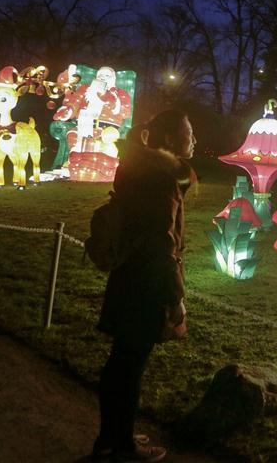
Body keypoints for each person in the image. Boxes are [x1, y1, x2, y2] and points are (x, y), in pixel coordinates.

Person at [93, 110, 197, 462]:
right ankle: (123, 446)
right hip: (146, 284)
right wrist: (176, 295)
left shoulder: (136, 169)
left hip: (127, 277)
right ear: (169, 139)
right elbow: (161, 243)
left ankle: (111, 436)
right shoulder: (159, 180)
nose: (193, 139)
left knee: (121, 362)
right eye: (188, 132)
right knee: (130, 365)